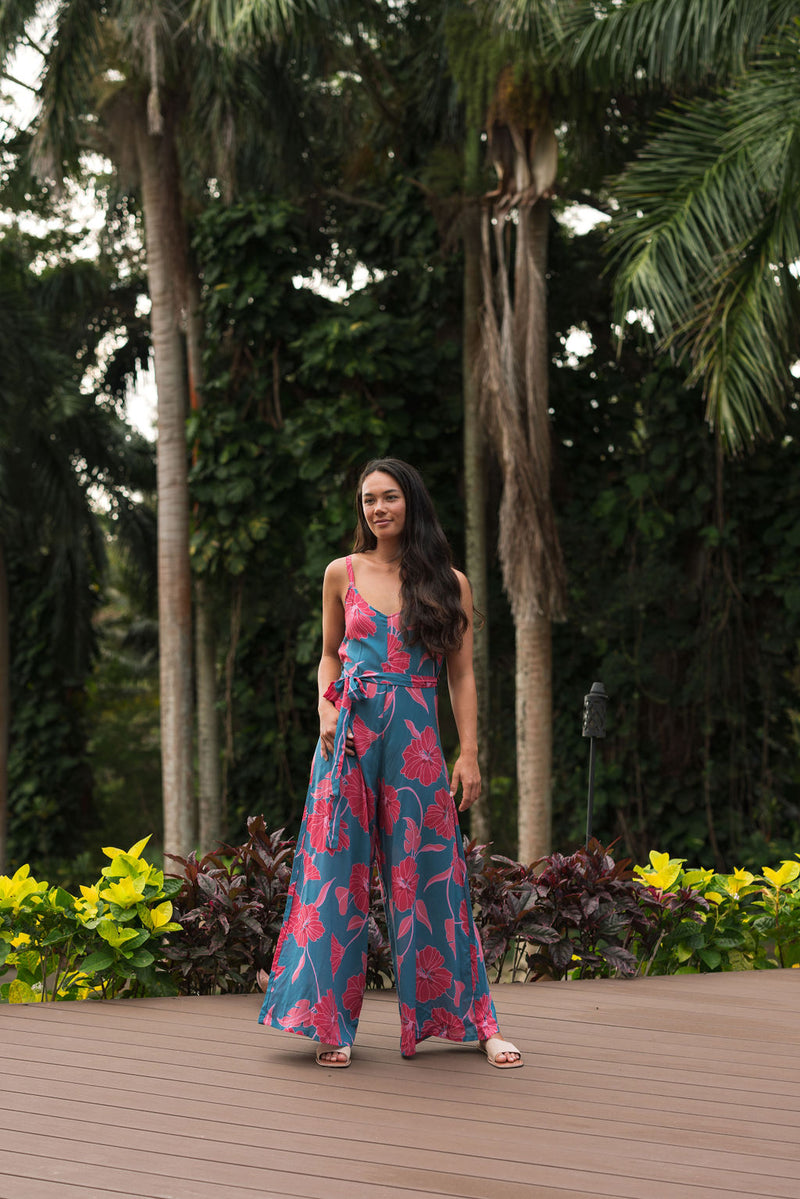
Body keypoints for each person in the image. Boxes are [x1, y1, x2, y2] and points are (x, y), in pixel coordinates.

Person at [258, 458, 522, 1069]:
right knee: (334, 879)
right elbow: (328, 656)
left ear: (412, 503)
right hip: (347, 737)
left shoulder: (448, 582)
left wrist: (471, 752)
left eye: (389, 498)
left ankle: (477, 1023)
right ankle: (331, 1026)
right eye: (369, 500)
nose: (378, 509)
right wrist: (326, 711)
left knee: (434, 879)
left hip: (417, 744)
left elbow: (461, 675)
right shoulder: (340, 573)